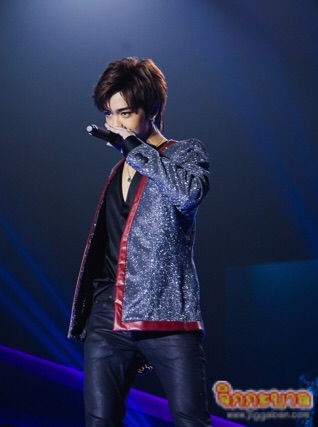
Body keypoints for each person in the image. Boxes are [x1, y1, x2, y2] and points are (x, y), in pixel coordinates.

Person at [67, 57, 212, 427]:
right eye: (109, 114)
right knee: (99, 421)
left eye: (126, 113)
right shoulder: (120, 166)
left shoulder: (184, 153)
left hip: (166, 314)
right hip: (108, 314)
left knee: (190, 419)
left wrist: (135, 148)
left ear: (153, 109)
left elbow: (188, 194)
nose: (115, 124)